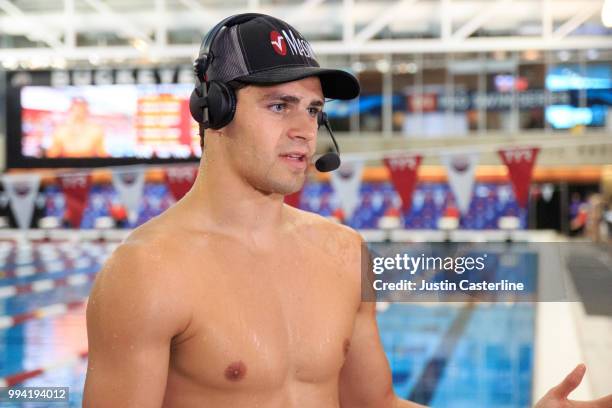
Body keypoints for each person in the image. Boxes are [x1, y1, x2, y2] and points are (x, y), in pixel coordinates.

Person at [83, 14, 612, 408]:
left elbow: (375, 404)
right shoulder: (147, 272)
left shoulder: (343, 251)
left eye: (313, 110)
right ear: (213, 108)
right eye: (278, 105)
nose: (304, 130)